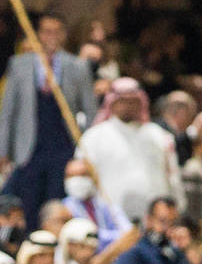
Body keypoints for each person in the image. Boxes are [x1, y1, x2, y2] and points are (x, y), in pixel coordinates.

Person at [0, 11, 97, 230]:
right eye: (46, 31)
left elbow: (90, 110)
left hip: (63, 145)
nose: (51, 37)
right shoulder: (19, 65)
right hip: (29, 146)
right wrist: (3, 150)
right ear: (38, 34)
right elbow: (7, 111)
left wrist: (87, 148)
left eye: (56, 32)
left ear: (63, 35)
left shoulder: (77, 66)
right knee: (28, 200)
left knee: (57, 200)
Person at [75, 77, 181, 221]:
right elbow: (80, 182)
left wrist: (178, 206)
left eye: (133, 101)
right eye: (123, 101)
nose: (128, 106)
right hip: (110, 220)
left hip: (155, 220)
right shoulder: (93, 137)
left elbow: (173, 177)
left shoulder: (159, 135)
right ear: (112, 103)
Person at [60, 159, 131, 245]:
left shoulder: (104, 203)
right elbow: (84, 237)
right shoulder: (64, 208)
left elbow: (128, 232)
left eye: (83, 175)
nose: (77, 181)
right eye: (71, 176)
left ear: (94, 177)